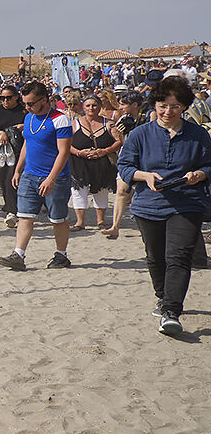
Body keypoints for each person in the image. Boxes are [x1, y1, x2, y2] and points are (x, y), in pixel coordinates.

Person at [116, 75, 211, 335]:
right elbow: (124, 166)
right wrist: (144, 176)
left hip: (186, 203)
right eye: (163, 105)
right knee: (155, 257)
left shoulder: (198, 135)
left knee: (178, 257)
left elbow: (208, 165)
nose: (168, 111)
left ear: (184, 107)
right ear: (155, 105)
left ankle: (171, 311)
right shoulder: (140, 134)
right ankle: (162, 295)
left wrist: (199, 175)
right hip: (148, 205)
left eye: (175, 106)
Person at [0, 81, 73, 270]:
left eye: (31, 103)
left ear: (44, 100)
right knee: (25, 216)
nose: (28, 107)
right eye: (25, 104)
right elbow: (26, 145)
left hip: (55, 177)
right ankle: (18, 254)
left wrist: (51, 178)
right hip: (29, 175)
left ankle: (61, 255)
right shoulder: (29, 118)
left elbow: (63, 152)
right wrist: (17, 169)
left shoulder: (60, 119)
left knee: (58, 218)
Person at [68, 94, 119, 231]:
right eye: (88, 105)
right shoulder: (75, 123)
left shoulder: (108, 123)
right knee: (79, 191)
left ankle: (101, 220)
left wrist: (104, 150)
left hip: (102, 162)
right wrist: (79, 153)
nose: (91, 108)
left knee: (102, 190)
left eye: (94, 105)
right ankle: (80, 222)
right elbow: (65, 144)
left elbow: (119, 141)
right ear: (83, 108)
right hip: (79, 162)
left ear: (100, 107)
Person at [101, 90, 147, 239]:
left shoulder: (149, 116)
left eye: (123, 104)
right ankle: (115, 226)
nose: (120, 107)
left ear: (134, 105)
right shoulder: (124, 119)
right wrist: (119, 134)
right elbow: (124, 143)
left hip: (146, 159)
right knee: (121, 191)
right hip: (128, 158)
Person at [0, 85, 26, 228]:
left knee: (15, 179)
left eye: (8, 97)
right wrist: (0, 133)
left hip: (21, 149)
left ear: (16, 97)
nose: (5, 101)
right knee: (4, 180)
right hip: (3, 151)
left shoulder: (24, 110)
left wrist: (23, 126)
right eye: (2, 98)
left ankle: (12, 210)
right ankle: (10, 207)